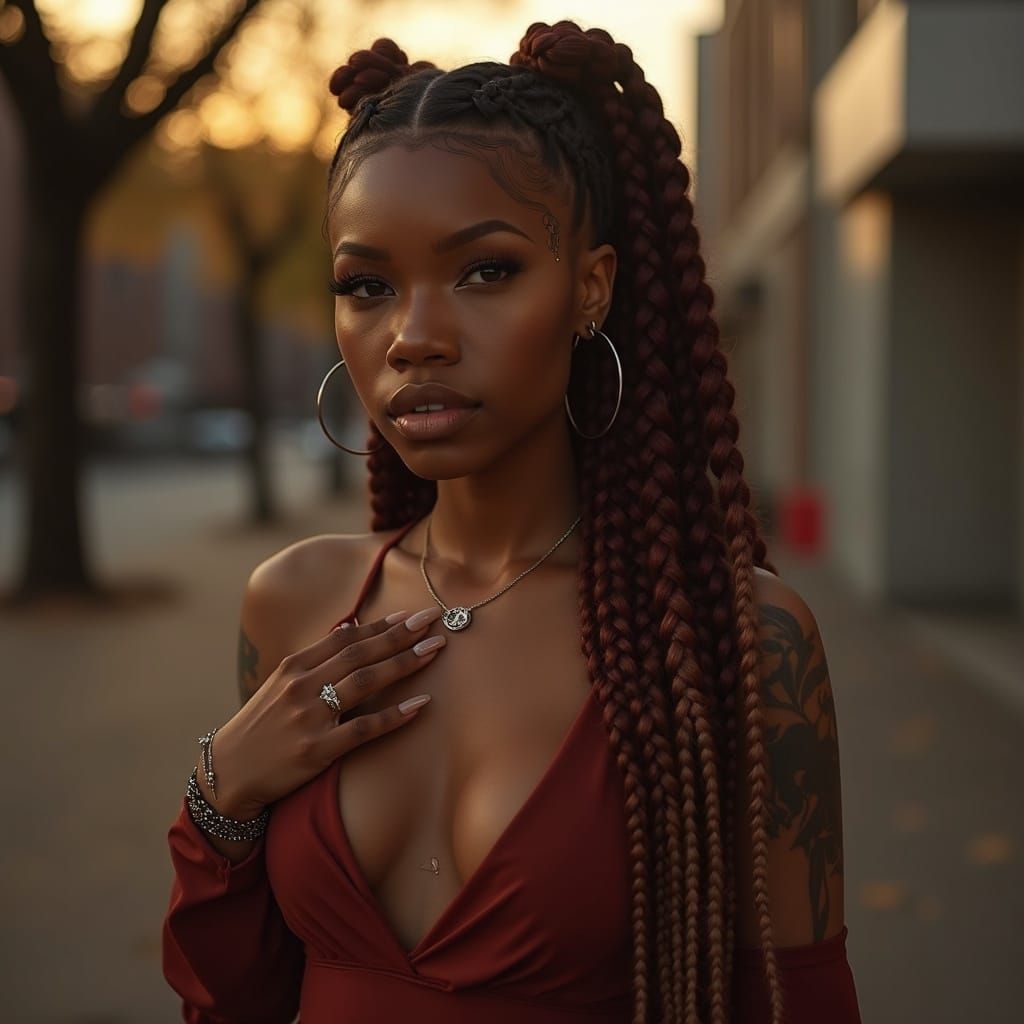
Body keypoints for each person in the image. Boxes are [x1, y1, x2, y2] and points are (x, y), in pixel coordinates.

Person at [161, 20, 862, 1024]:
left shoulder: (738, 644)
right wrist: (218, 800)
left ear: (590, 288)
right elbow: (236, 997)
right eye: (367, 285)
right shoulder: (294, 602)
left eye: (483, 271)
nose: (412, 338)